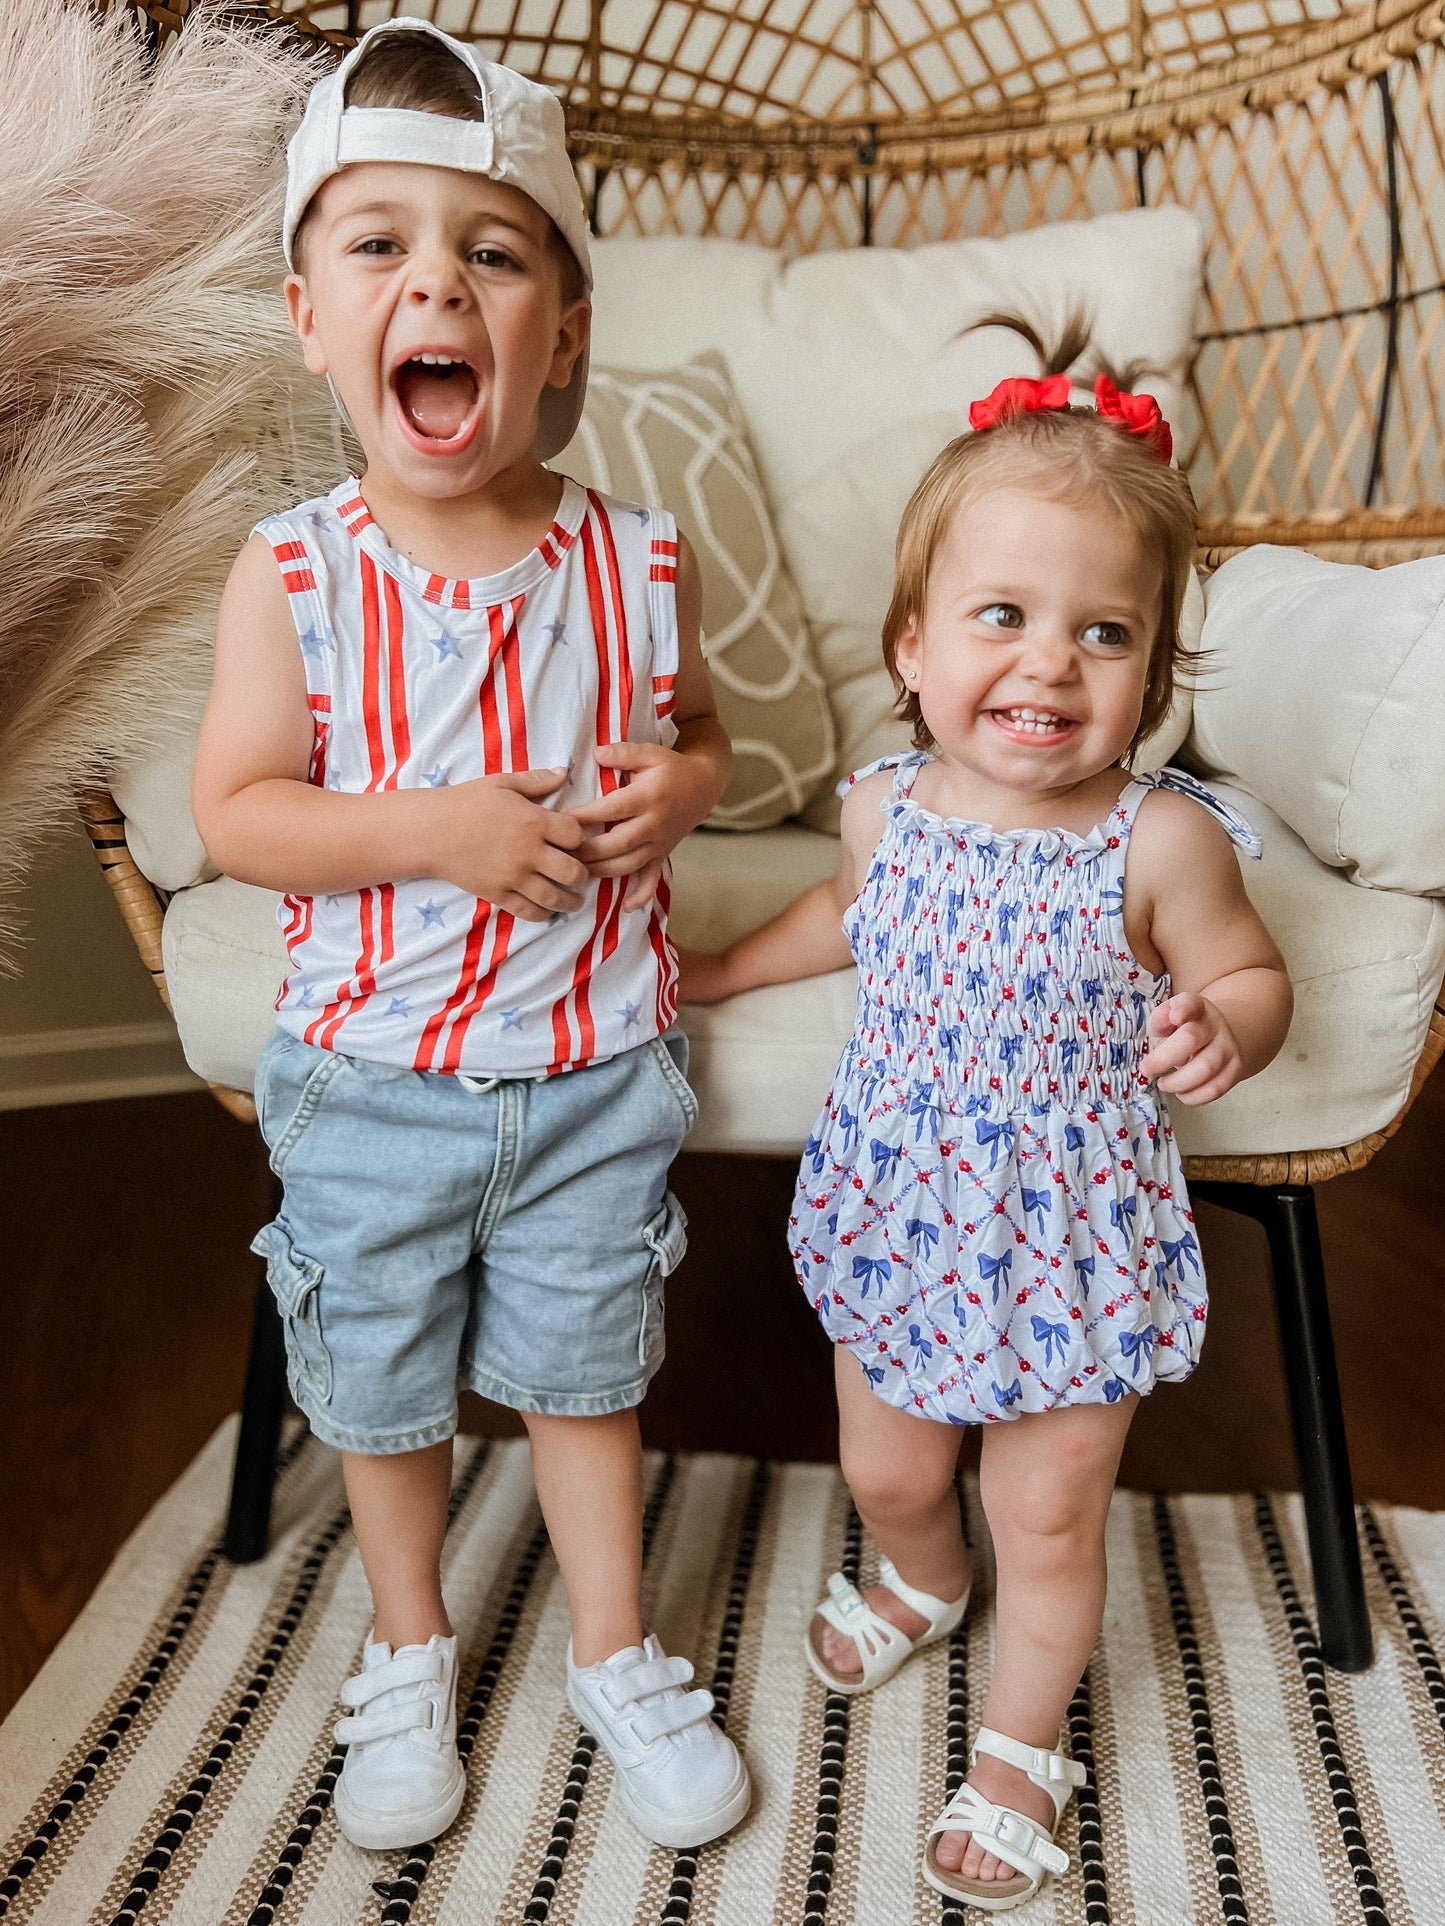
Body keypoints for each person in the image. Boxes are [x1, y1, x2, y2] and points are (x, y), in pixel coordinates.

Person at [192, 17, 749, 1856]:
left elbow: (702, 734)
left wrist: (677, 790)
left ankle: (612, 1648)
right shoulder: (294, 573)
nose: (434, 281)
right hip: (371, 1079)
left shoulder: (634, 558)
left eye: (490, 252)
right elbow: (239, 814)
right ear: (310, 320)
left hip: (592, 1068)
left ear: (560, 334)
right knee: (382, 1387)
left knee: (587, 1379)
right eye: (380, 245)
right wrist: (437, 826)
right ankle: (411, 1644)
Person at [678, 372, 1292, 1910]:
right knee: (887, 1468)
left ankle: (1019, 1747)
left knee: (1048, 1512)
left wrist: (1228, 1022)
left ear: (1153, 671)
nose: (1048, 661)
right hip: (902, 1214)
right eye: (1001, 615)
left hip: (1072, 1237)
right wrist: (728, 966)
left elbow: (1245, 969)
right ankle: (920, 1572)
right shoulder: (881, 806)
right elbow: (844, 912)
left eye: (1104, 631)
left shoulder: (1158, 839)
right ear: (913, 646)